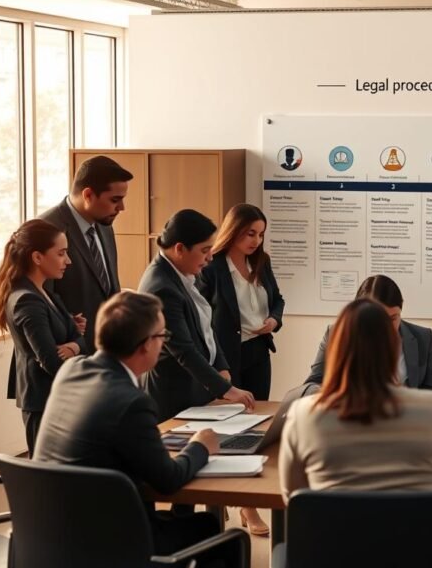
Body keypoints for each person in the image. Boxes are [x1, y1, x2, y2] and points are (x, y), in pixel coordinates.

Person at [33, 291, 242, 567]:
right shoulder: (132, 402)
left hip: (51, 537)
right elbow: (167, 481)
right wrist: (200, 445)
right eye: (162, 336)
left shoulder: (72, 369)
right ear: (146, 345)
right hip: (114, 545)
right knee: (218, 531)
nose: (163, 344)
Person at [280, 298, 432, 500]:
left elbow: (294, 496)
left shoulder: (303, 415)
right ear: (395, 348)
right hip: (419, 532)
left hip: (339, 532)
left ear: (334, 350)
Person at [198, 203, 284, 537]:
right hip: (226, 357)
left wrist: (274, 320)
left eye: (260, 235)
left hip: (258, 351)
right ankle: (243, 505)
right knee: (230, 426)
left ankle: (248, 501)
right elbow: (202, 317)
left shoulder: (261, 262)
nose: (255, 241)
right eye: (250, 233)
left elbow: (278, 299)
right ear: (233, 231)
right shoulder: (213, 268)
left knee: (257, 425)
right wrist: (214, 364)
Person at [138, 209, 256, 422]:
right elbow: (183, 350)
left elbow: (205, 328)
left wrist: (221, 365)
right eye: (204, 250)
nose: (210, 257)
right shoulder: (161, 287)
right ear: (180, 249)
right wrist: (226, 390)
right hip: (174, 398)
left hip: (197, 392)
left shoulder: (183, 273)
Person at [0, 219, 85, 456]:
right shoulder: (27, 300)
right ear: (37, 257)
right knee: (49, 480)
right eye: (61, 253)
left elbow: (80, 337)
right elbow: (52, 360)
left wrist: (73, 345)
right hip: (45, 402)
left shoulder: (45, 292)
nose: (68, 261)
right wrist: (76, 342)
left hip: (56, 399)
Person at [39, 155, 132, 353]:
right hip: (68, 358)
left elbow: (107, 289)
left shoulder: (105, 225)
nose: (122, 208)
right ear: (88, 195)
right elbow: (41, 304)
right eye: (115, 200)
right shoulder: (45, 230)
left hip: (106, 354)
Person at [306, 275, 432, 393]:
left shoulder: (423, 337)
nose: (386, 327)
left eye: (393, 318)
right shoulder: (336, 334)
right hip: (351, 417)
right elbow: (312, 384)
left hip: (405, 419)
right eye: (379, 318)